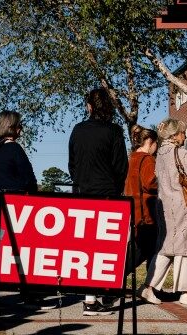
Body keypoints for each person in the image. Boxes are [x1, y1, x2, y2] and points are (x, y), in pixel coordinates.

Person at [68, 88, 128, 316]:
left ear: (89, 106)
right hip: (107, 194)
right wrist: (116, 187)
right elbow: (121, 166)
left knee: (85, 248)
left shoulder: (78, 130)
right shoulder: (114, 131)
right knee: (106, 248)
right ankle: (104, 293)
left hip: (82, 193)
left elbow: (72, 163)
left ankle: (89, 299)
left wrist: (81, 180)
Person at [141, 118, 187, 305]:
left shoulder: (159, 155)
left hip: (163, 206)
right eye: (182, 132)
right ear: (174, 135)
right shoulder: (180, 152)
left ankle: (149, 287)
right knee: (185, 247)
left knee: (166, 248)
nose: (185, 135)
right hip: (183, 205)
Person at [0, 110, 45, 309]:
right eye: (19, 125)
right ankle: (29, 294)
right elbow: (29, 179)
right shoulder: (15, 149)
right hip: (15, 208)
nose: (21, 129)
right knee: (23, 253)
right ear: (12, 127)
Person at [124, 124, 159, 274]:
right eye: (156, 143)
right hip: (147, 212)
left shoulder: (131, 158)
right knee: (146, 249)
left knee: (144, 249)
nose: (156, 147)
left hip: (134, 210)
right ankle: (116, 279)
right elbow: (150, 183)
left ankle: (151, 287)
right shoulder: (148, 159)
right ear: (150, 142)